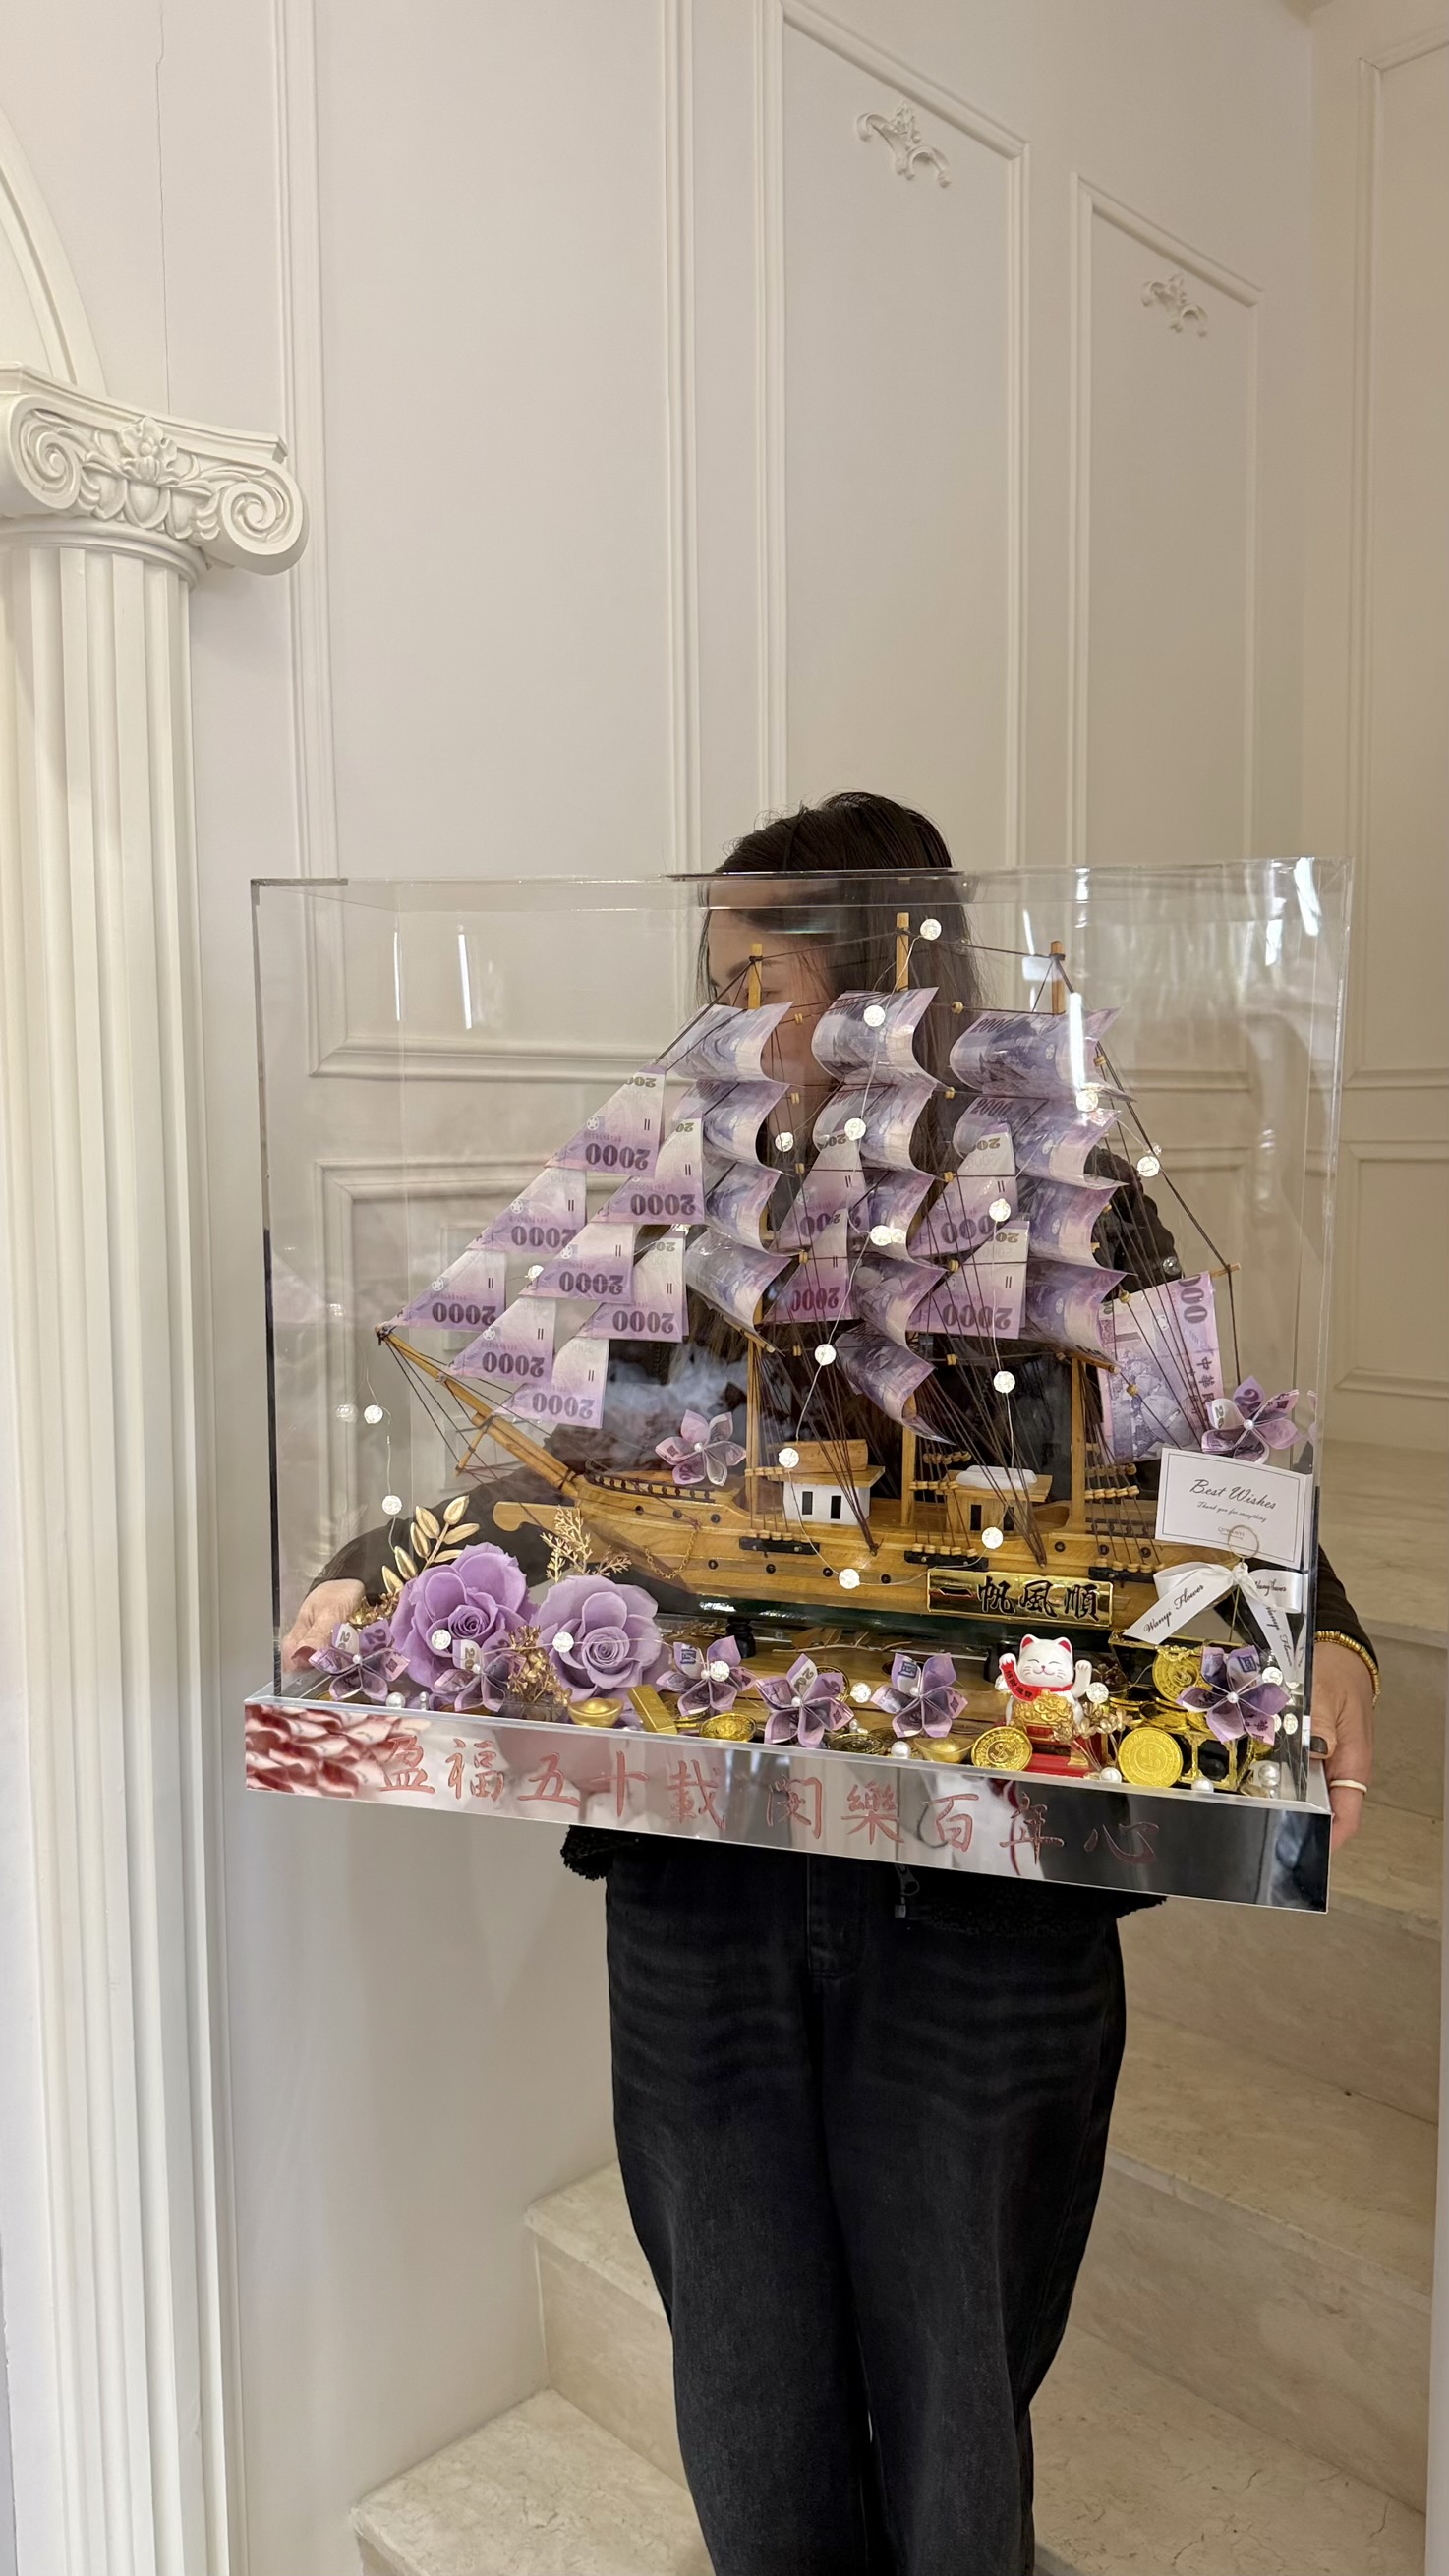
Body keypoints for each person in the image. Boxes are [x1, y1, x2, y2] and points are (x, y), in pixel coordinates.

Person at [282, 795, 1378, 2576]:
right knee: (739, 2371)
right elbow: (555, 1461)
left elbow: (1200, 1455)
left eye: (761, 982)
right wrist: (382, 1563)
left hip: (979, 1895)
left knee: (958, 2401)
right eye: (711, 983)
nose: (724, 1028)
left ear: (889, 980)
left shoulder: (1059, 1190)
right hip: (705, 1877)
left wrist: (1318, 1625)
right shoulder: (686, 1208)